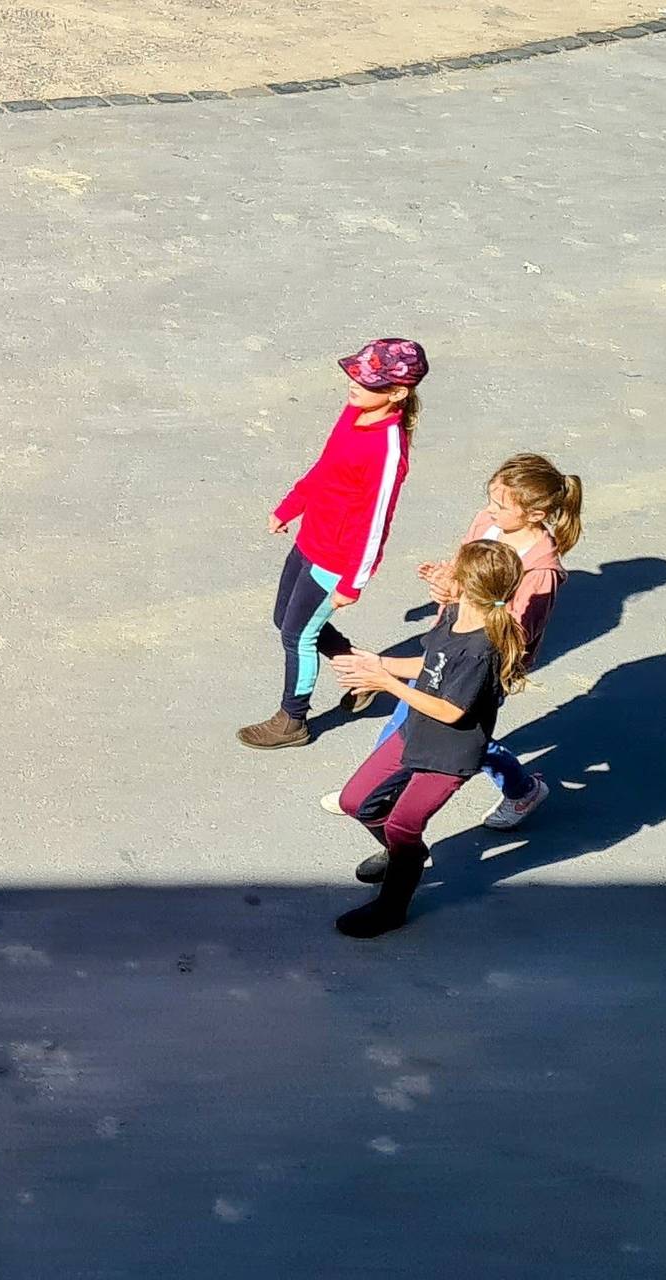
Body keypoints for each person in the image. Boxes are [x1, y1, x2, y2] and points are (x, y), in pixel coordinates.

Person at [324, 452, 582, 830]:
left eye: (500, 505)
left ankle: (516, 789)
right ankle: (382, 788)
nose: (489, 509)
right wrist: (447, 585)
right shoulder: (486, 523)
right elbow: (467, 571)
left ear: (535, 515)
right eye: (491, 499)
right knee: (425, 727)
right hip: (449, 640)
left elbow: (509, 636)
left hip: (480, 662)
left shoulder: (541, 573)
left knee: (449, 734)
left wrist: (385, 667)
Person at [325, 540, 528, 938]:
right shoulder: (453, 615)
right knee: (357, 802)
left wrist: (385, 684)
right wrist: (378, 663)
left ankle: (392, 907)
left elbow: (453, 710)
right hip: (415, 731)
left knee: (403, 823)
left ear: (470, 585)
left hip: (449, 752)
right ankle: (408, 856)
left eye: (455, 564)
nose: (447, 566)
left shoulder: (481, 648)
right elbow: (430, 664)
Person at [242, 337, 426, 749]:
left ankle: (293, 720)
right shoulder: (355, 413)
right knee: (285, 621)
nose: (354, 383)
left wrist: (352, 583)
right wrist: (291, 506)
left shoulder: (387, 449)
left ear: (398, 393)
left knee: (298, 636)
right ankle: (366, 674)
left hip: (337, 560)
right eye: (356, 374)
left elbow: (376, 522)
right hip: (311, 540)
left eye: (368, 380)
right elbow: (326, 467)